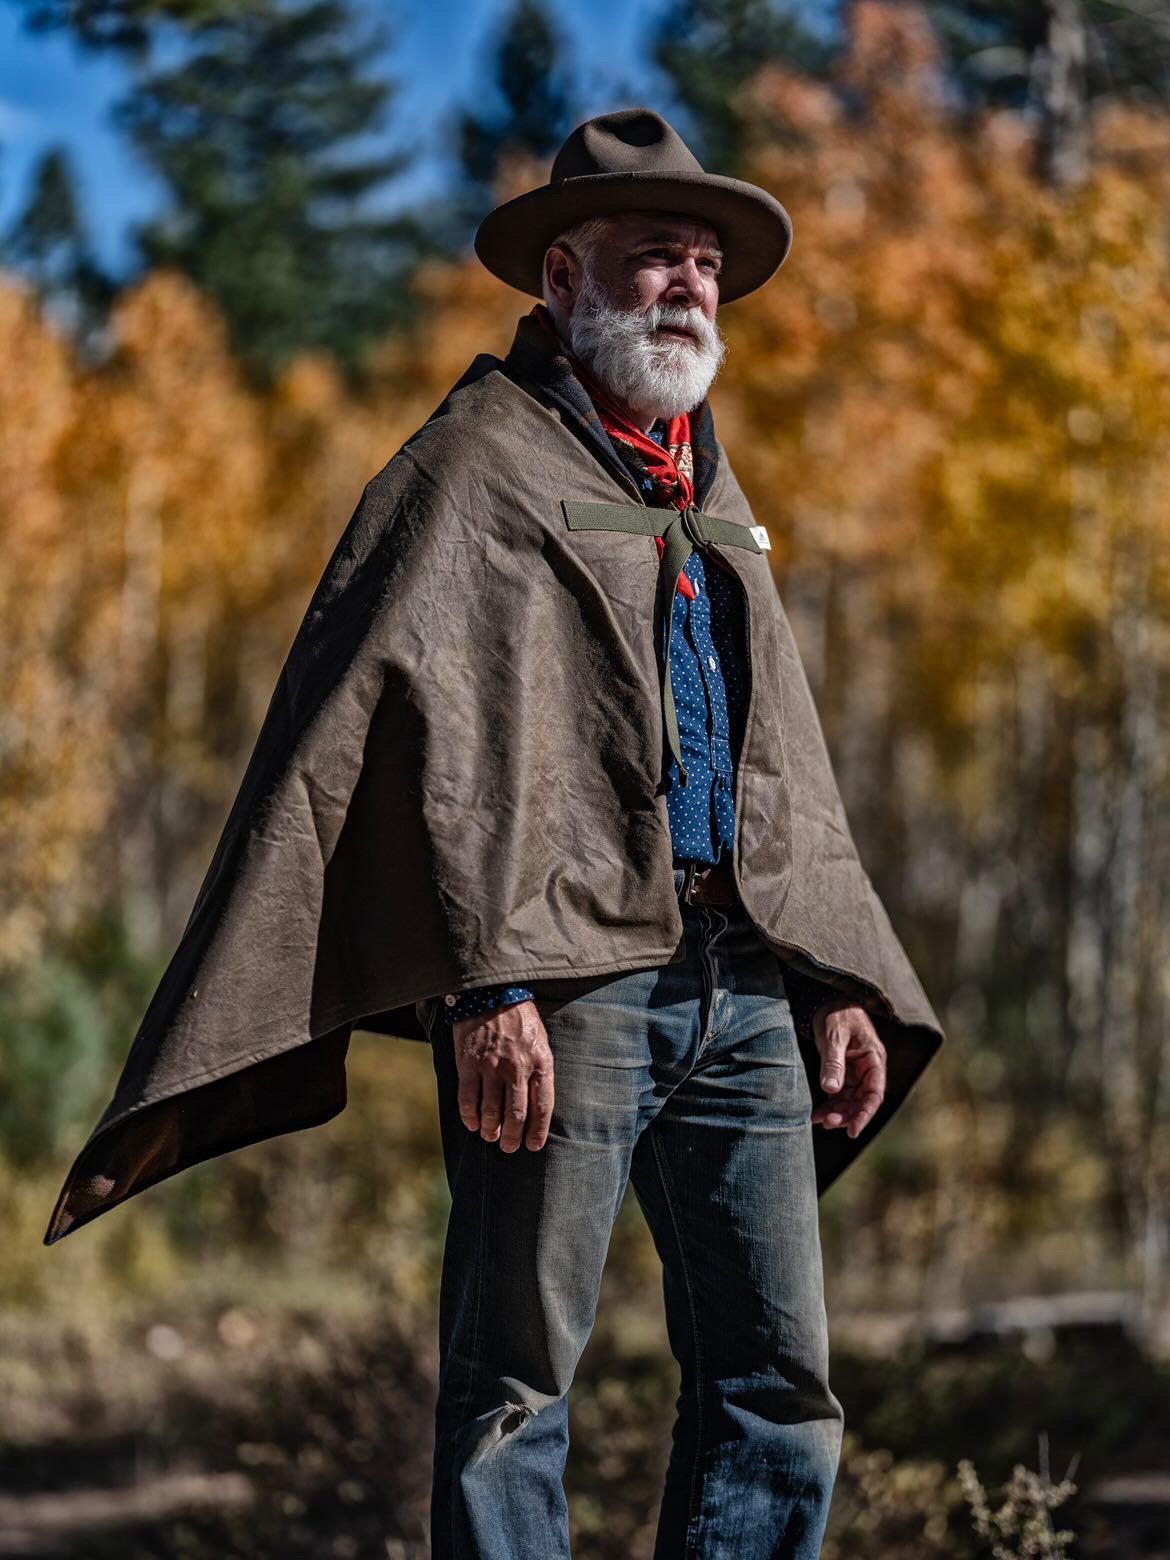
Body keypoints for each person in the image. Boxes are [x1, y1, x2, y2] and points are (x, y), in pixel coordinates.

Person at [44, 106, 943, 1560]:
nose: (687, 289)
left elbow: (781, 759)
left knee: (780, 1385)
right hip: (567, 990)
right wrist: (487, 983)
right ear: (561, 281)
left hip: (743, 985)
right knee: (515, 1384)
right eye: (654, 258)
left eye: (704, 265)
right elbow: (403, 747)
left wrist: (834, 964)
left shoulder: (702, 483)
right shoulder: (469, 469)